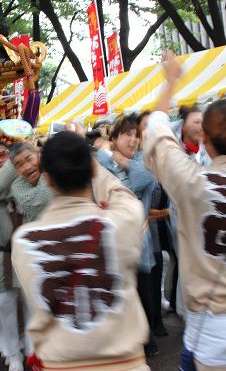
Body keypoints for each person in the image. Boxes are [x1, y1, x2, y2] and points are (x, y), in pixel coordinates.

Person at [143, 52, 226, 370]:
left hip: (215, 324)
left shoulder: (192, 182)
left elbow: (157, 131)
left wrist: (171, 80)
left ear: (204, 136)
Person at [12, 131, 150, 371]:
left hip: (60, 363)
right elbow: (123, 196)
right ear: (93, 169)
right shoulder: (121, 220)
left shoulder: (23, 241)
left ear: (47, 179)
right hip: (125, 363)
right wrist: (92, 164)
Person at [92, 114, 163, 356]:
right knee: (120, 297)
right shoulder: (101, 165)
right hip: (111, 244)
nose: (133, 140)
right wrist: (113, 160)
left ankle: (145, 340)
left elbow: (136, 183)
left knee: (143, 297)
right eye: (127, 134)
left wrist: (108, 155)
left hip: (137, 243)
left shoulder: (143, 161)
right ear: (114, 138)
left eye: (136, 135)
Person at [0, 141, 29, 371]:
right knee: (5, 304)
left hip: (27, 250)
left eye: (5, 154)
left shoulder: (27, 179)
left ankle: (32, 348)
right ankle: (13, 353)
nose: (0, 159)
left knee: (31, 302)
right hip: (1, 253)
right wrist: (17, 158)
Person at [9, 143, 54, 224]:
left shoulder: (54, 170)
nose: (27, 167)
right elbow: (45, 199)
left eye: (29, 159)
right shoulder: (17, 187)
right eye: (20, 165)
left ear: (38, 155)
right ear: (16, 170)